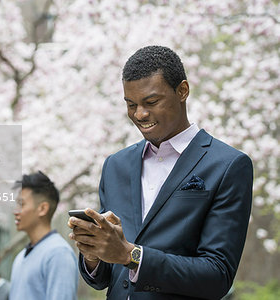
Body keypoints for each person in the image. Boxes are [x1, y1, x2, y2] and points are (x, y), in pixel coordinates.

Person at [68, 45, 253, 299]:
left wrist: (131, 256)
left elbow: (217, 275)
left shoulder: (228, 165)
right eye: (131, 104)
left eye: (151, 102)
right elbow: (107, 278)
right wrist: (93, 254)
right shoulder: (115, 165)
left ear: (182, 91)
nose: (140, 114)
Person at [9, 171, 78, 300]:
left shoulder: (58, 254)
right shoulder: (21, 257)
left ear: (42, 208)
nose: (15, 211)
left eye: (22, 204)